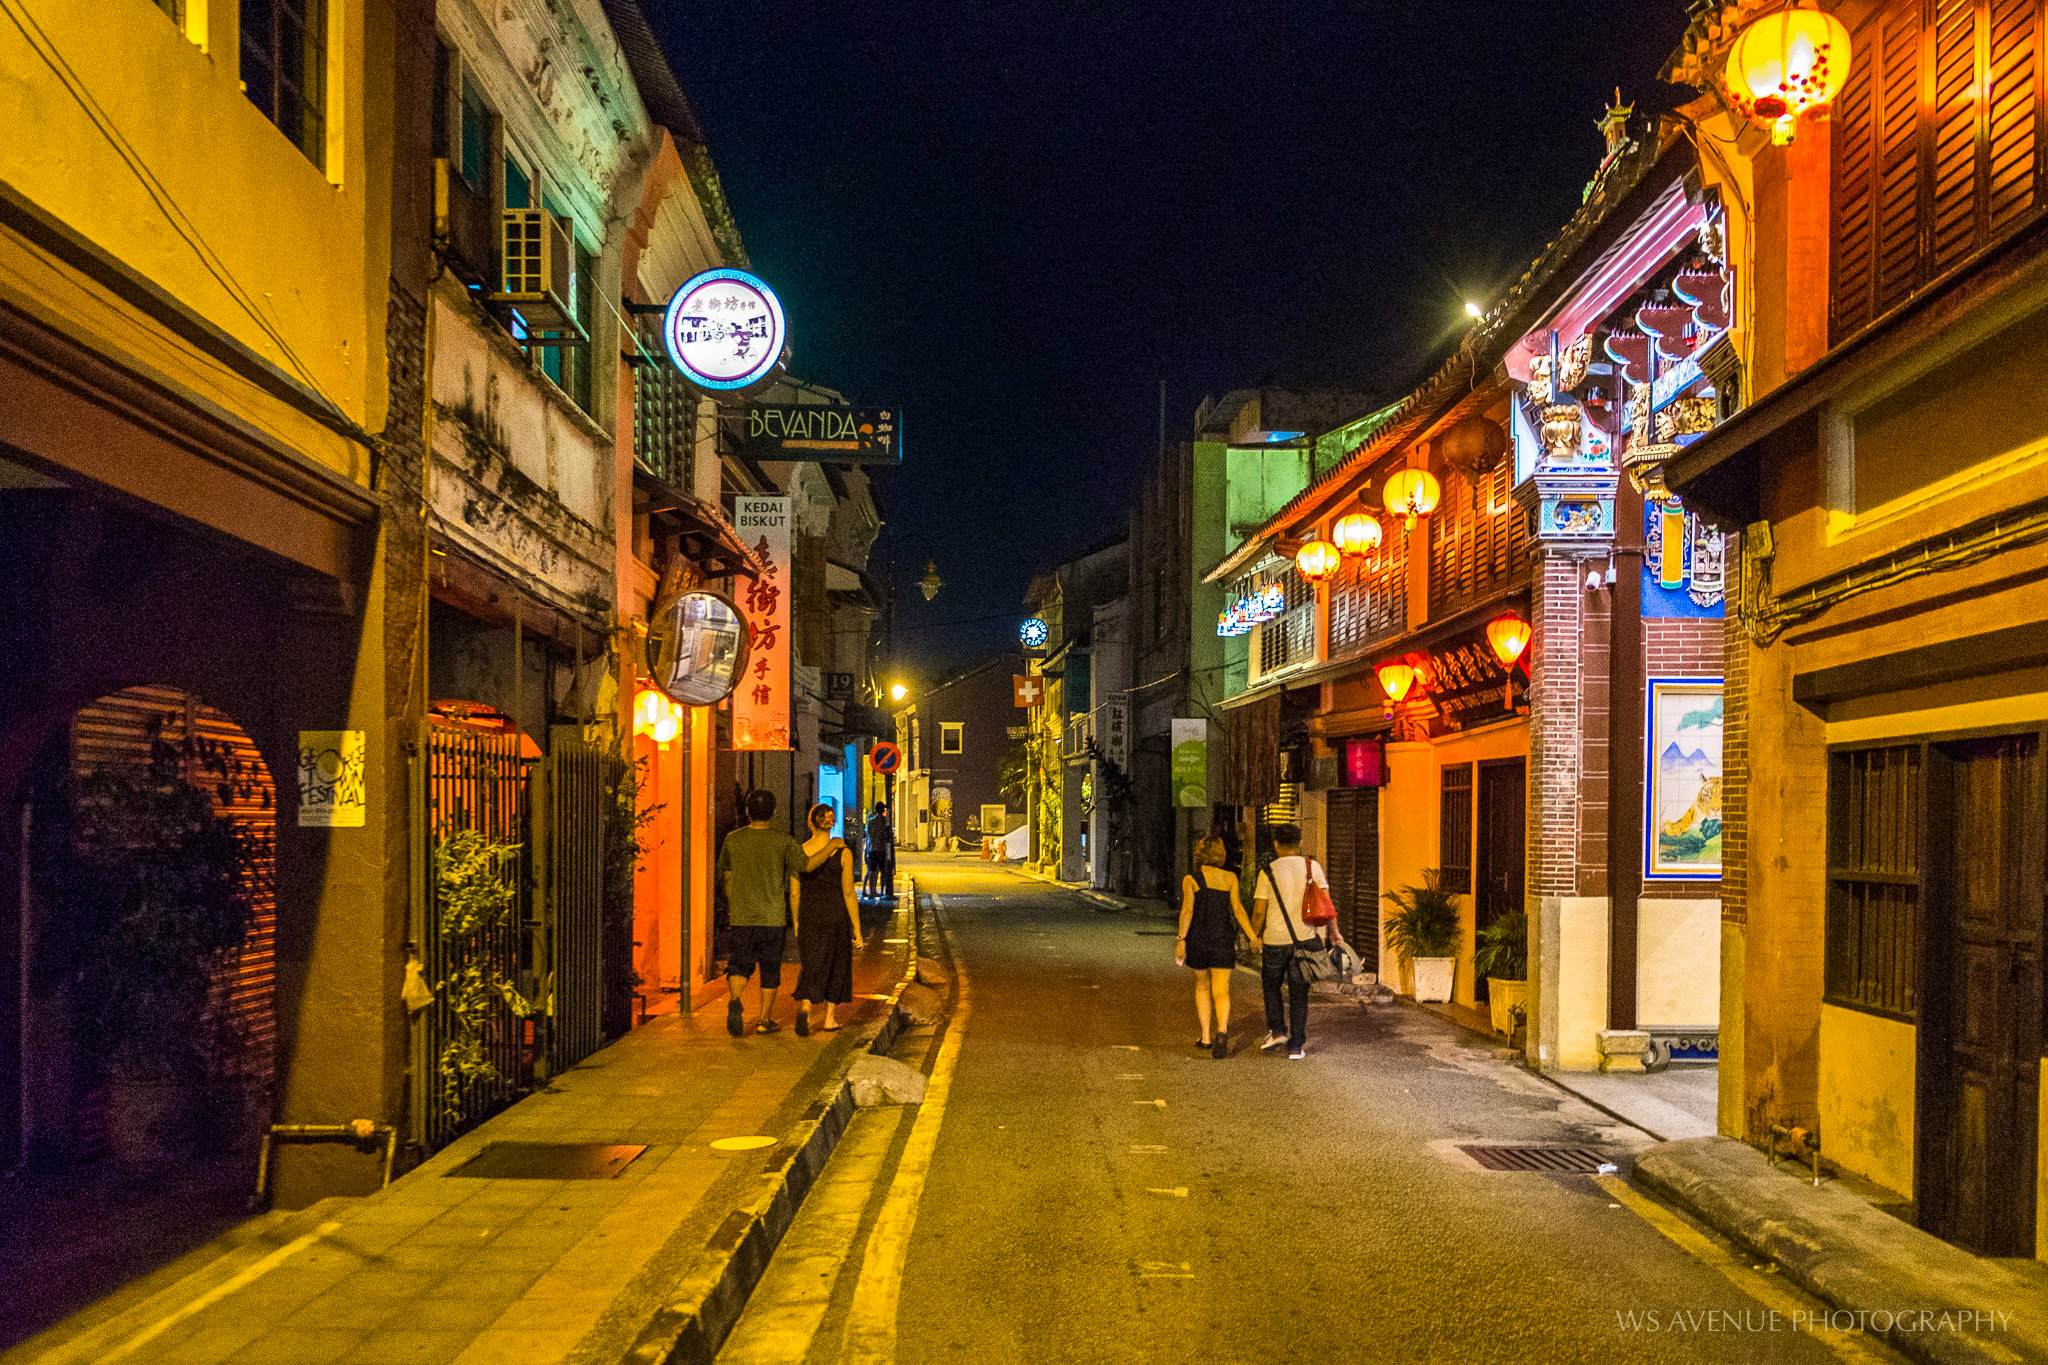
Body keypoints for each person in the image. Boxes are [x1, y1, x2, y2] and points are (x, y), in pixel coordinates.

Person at [714, 788, 808, 1037]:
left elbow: (725, 875)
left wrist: (735, 900)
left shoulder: (733, 839)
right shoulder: (782, 840)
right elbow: (804, 865)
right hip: (772, 917)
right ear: (774, 812)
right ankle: (764, 1019)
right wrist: (831, 847)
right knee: (769, 969)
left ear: (747, 811)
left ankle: (735, 998)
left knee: (739, 964)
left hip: (742, 915)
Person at [1252, 823, 1331, 1060]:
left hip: (1275, 940)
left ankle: (1277, 1031)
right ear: (1299, 843)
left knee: (1271, 986)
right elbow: (1326, 903)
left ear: (1276, 843)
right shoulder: (1312, 867)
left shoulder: (1267, 871)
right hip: (1304, 940)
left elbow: (1259, 911)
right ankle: (1296, 1045)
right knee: (1299, 992)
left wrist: (1252, 935)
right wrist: (1333, 933)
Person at [1176, 834, 1258, 1059]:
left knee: (1202, 986)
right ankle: (1222, 1031)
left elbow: (1187, 912)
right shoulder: (1230, 878)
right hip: (1222, 939)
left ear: (1200, 853)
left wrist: (1181, 941)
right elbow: (1238, 910)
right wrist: (1252, 936)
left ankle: (1205, 1037)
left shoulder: (1191, 879)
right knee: (1221, 990)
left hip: (1198, 939)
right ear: (1221, 854)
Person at [793, 802, 864, 1035]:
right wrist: (857, 929)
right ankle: (829, 1018)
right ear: (831, 823)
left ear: (810, 823)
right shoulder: (843, 853)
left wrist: (795, 921)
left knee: (811, 962)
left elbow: (794, 891)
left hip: (809, 914)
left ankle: (805, 1005)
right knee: (836, 964)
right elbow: (848, 893)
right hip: (835, 914)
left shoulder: (800, 851)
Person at [863, 801, 895, 899]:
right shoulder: (885, 822)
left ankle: (872, 891)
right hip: (882, 849)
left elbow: (867, 835)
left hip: (872, 848)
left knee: (871, 871)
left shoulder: (870, 821)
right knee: (883, 871)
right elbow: (887, 836)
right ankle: (882, 891)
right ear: (883, 810)